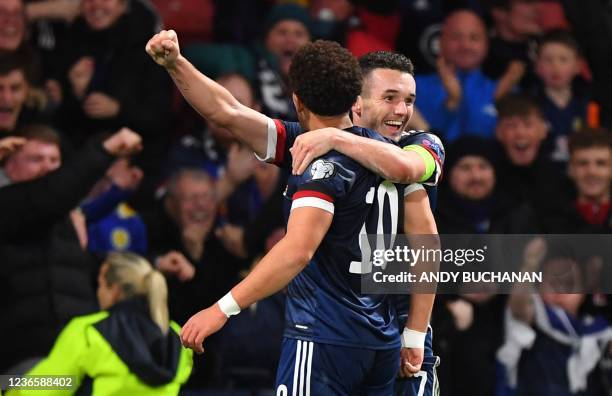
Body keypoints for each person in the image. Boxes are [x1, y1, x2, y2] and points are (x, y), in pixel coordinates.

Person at [148, 30, 435, 393]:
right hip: (381, 338)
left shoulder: (325, 163)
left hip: (325, 337)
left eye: (407, 100)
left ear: (297, 100)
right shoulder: (379, 153)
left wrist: (220, 309)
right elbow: (228, 112)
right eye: (390, 97)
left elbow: (297, 251)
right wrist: (176, 63)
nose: (400, 110)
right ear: (355, 101)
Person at [0, 127, 142, 373]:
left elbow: (81, 269)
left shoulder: (67, 217)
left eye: (55, 160)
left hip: (80, 355)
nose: (48, 167)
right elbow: (50, 195)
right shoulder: (7, 205)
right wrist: (105, 149)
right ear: (9, 166)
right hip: (24, 362)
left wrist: (151, 265)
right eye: (36, 159)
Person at [5, 252, 193, 396]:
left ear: (115, 290)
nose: (98, 293)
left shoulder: (88, 332)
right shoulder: (178, 336)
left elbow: (46, 387)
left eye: (101, 284)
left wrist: (5, 385)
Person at [413, 9, 523, 142]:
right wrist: (452, 102)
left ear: (487, 45)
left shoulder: (505, 88)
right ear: (440, 43)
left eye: (474, 38)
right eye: (456, 37)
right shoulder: (415, 87)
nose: (465, 45)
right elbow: (420, 142)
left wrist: (498, 100)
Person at [533, 29, 590, 164]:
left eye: (563, 60)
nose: (555, 67)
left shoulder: (588, 103)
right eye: (548, 60)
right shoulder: (530, 104)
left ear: (578, 66)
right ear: (538, 66)